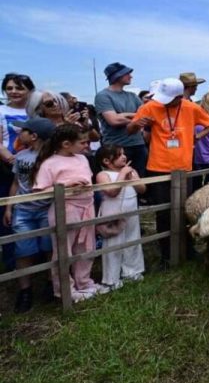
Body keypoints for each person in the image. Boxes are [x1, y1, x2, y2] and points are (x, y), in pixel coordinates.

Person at [127, 78, 209, 265]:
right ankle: (167, 254)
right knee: (163, 212)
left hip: (183, 167)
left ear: (179, 96)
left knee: (186, 210)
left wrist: (196, 137)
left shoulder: (191, 108)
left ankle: (187, 250)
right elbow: (129, 129)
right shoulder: (151, 106)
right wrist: (136, 124)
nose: (164, 101)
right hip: (158, 166)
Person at [32, 123, 100, 302]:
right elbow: (39, 190)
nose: (86, 146)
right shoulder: (50, 163)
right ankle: (64, 290)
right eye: (82, 142)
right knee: (64, 251)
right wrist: (65, 186)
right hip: (66, 208)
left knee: (87, 246)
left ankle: (84, 283)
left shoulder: (82, 159)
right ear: (66, 144)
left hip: (87, 205)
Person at [3, 117, 55, 312]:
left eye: (23, 130)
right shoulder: (21, 156)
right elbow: (17, 183)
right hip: (22, 210)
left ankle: (51, 284)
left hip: (46, 209)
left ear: (33, 136)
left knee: (50, 247)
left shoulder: (53, 158)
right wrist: (9, 207)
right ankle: (25, 290)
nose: (19, 133)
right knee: (23, 250)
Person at [94, 145, 146, 291]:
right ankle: (111, 278)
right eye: (119, 155)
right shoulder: (103, 175)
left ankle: (132, 271)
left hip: (131, 210)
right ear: (106, 160)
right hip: (112, 212)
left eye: (124, 154)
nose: (124, 157)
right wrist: (123, 175)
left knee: (133, 239)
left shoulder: (131, 171)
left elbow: (142, 189)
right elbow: (112, 192)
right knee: (113, 243)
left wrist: (132, 178)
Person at [0, 73, 36, 272]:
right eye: (10, 87)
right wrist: (12, 159)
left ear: (29, 90)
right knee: (8, 211)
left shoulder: (35, 111)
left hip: (35, 168)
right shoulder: (1, 111)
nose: (13, 91)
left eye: (19, 88)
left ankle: (37, 257)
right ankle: (11, 260)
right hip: (8, 167)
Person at [94, 62, 148, 176]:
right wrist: (136, 118)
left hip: (138, 145)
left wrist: (123, 115)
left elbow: (145, 114)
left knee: (141, 181)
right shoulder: (103, 96)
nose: (131, 76)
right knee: (119, 181)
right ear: (117, 76)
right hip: (116, 148)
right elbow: (113, 120)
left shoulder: (132, 96)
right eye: (127, 73)